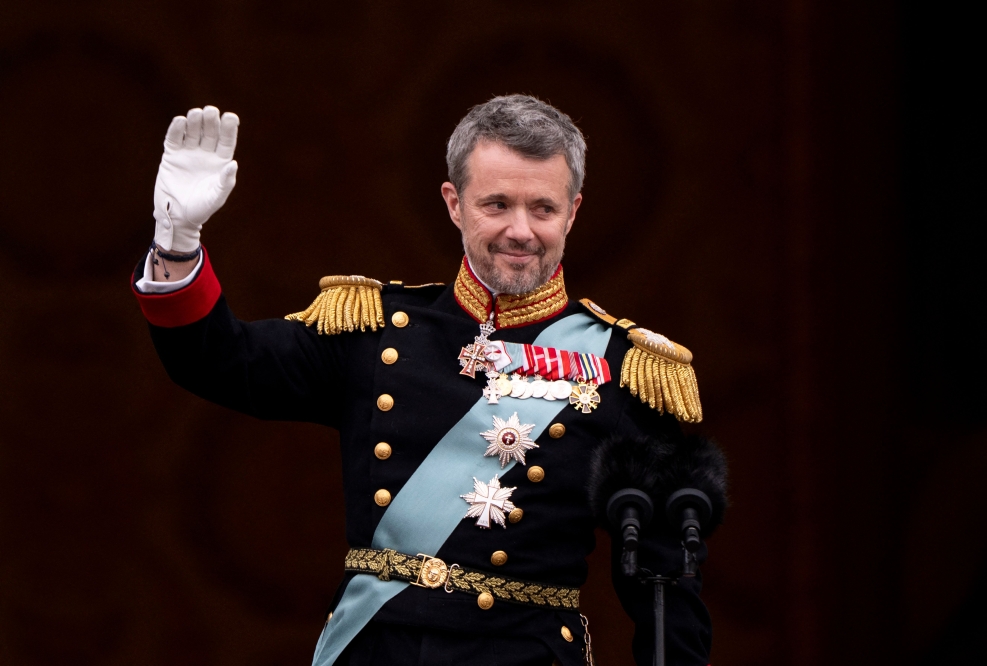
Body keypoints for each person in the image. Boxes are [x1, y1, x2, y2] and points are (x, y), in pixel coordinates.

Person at [132, 96, 716, 666]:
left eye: (542, 208)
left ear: (573, 211)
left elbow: (664, 588)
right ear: (454, 203)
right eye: (496, 205)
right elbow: (222, 362)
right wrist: (177, 244)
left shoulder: (628, 371)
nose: (521, 230)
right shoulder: (375, 331)